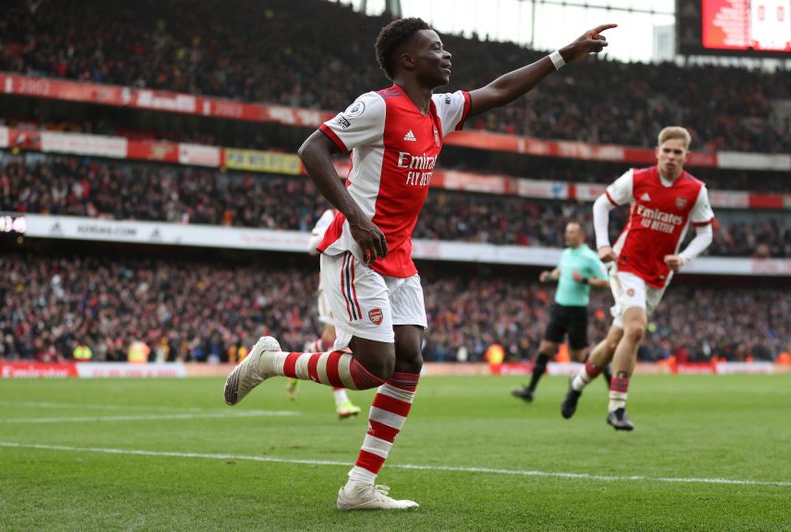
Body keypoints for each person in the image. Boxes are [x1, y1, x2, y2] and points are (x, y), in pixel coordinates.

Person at [223, 17, 615, 510]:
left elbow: (499, 90)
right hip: (356, 249)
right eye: (436, 47)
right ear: (407, 60)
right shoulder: (377, 105)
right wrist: (357, 218)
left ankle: (359, 487)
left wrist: (562, 55)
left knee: (409, 359)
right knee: (375, 367)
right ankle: (270, 361)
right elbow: (312, 149)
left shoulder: (439, 110)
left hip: (399, 257)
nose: (447, 54)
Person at [560, 126, 714, 431]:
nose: (671, 157)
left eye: (677, 152)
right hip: (626, 264)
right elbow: (601, 205)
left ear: (687, 156)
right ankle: (617, 407)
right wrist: (603, 244)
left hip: (659, 274)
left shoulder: (695, 191)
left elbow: (706, 232)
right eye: (666, 151)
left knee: (617, 338)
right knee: (636, 329)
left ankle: (576, 384)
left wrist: (684, 258)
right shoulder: (636, 178)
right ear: (657, 152)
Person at [512, 221, 609, 402]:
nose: (567, 235)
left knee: (579, 356)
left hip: (577, 311)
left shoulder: (589, 257)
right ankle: (530, 390)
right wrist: (550, 275)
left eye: (571, 232)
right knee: (546, 348)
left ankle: (604, 368)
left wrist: (585, 280)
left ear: (581, 236)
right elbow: (561, 270)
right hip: (559, 308)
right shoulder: (566, 253)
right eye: (566, 232)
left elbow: (605, 281)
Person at [285, 208, 363, 418]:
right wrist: (339, 234)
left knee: (330, 341)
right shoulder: (331, 215)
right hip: (331, 285)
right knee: (338, 342)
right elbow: (312, 245)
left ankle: (297, 363)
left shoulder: (363, 213)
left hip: (352, 285)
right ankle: (342, 402)